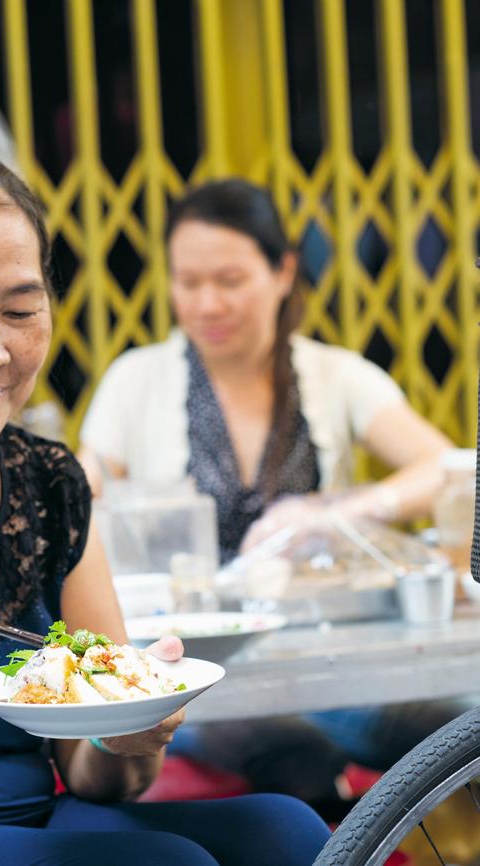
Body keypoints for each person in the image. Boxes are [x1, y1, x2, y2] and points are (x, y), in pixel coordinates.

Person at [0, 143, 330, 866]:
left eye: (22, 309)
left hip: (26, 821)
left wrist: (126, 737)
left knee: (289, 834)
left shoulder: (48, 485)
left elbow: (96, 772)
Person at [77, 178, 467, 814]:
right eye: (187, 281)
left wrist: (339, 511)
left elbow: (442, 465)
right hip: (196, 672)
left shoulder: (333, 375)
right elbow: (84, 493)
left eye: (229, 280)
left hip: (323, 657)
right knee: (295, 757)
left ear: (283, 271)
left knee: (453, 730)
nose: (206, 303)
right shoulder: (135, 382)